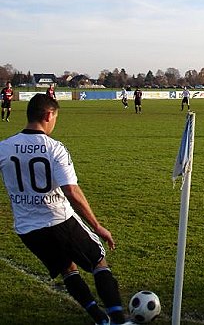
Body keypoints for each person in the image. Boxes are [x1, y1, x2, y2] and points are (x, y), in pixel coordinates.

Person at [0, 94, 133, 325]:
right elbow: (72, 192)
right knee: (98, 262)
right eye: (55, 118)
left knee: (68, 270)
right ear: (48, 115)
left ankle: (100, 319)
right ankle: (120, 321)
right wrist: (97, 226)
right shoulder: (54, 148)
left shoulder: (4, 147)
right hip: (59, 221)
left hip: (27, 229)